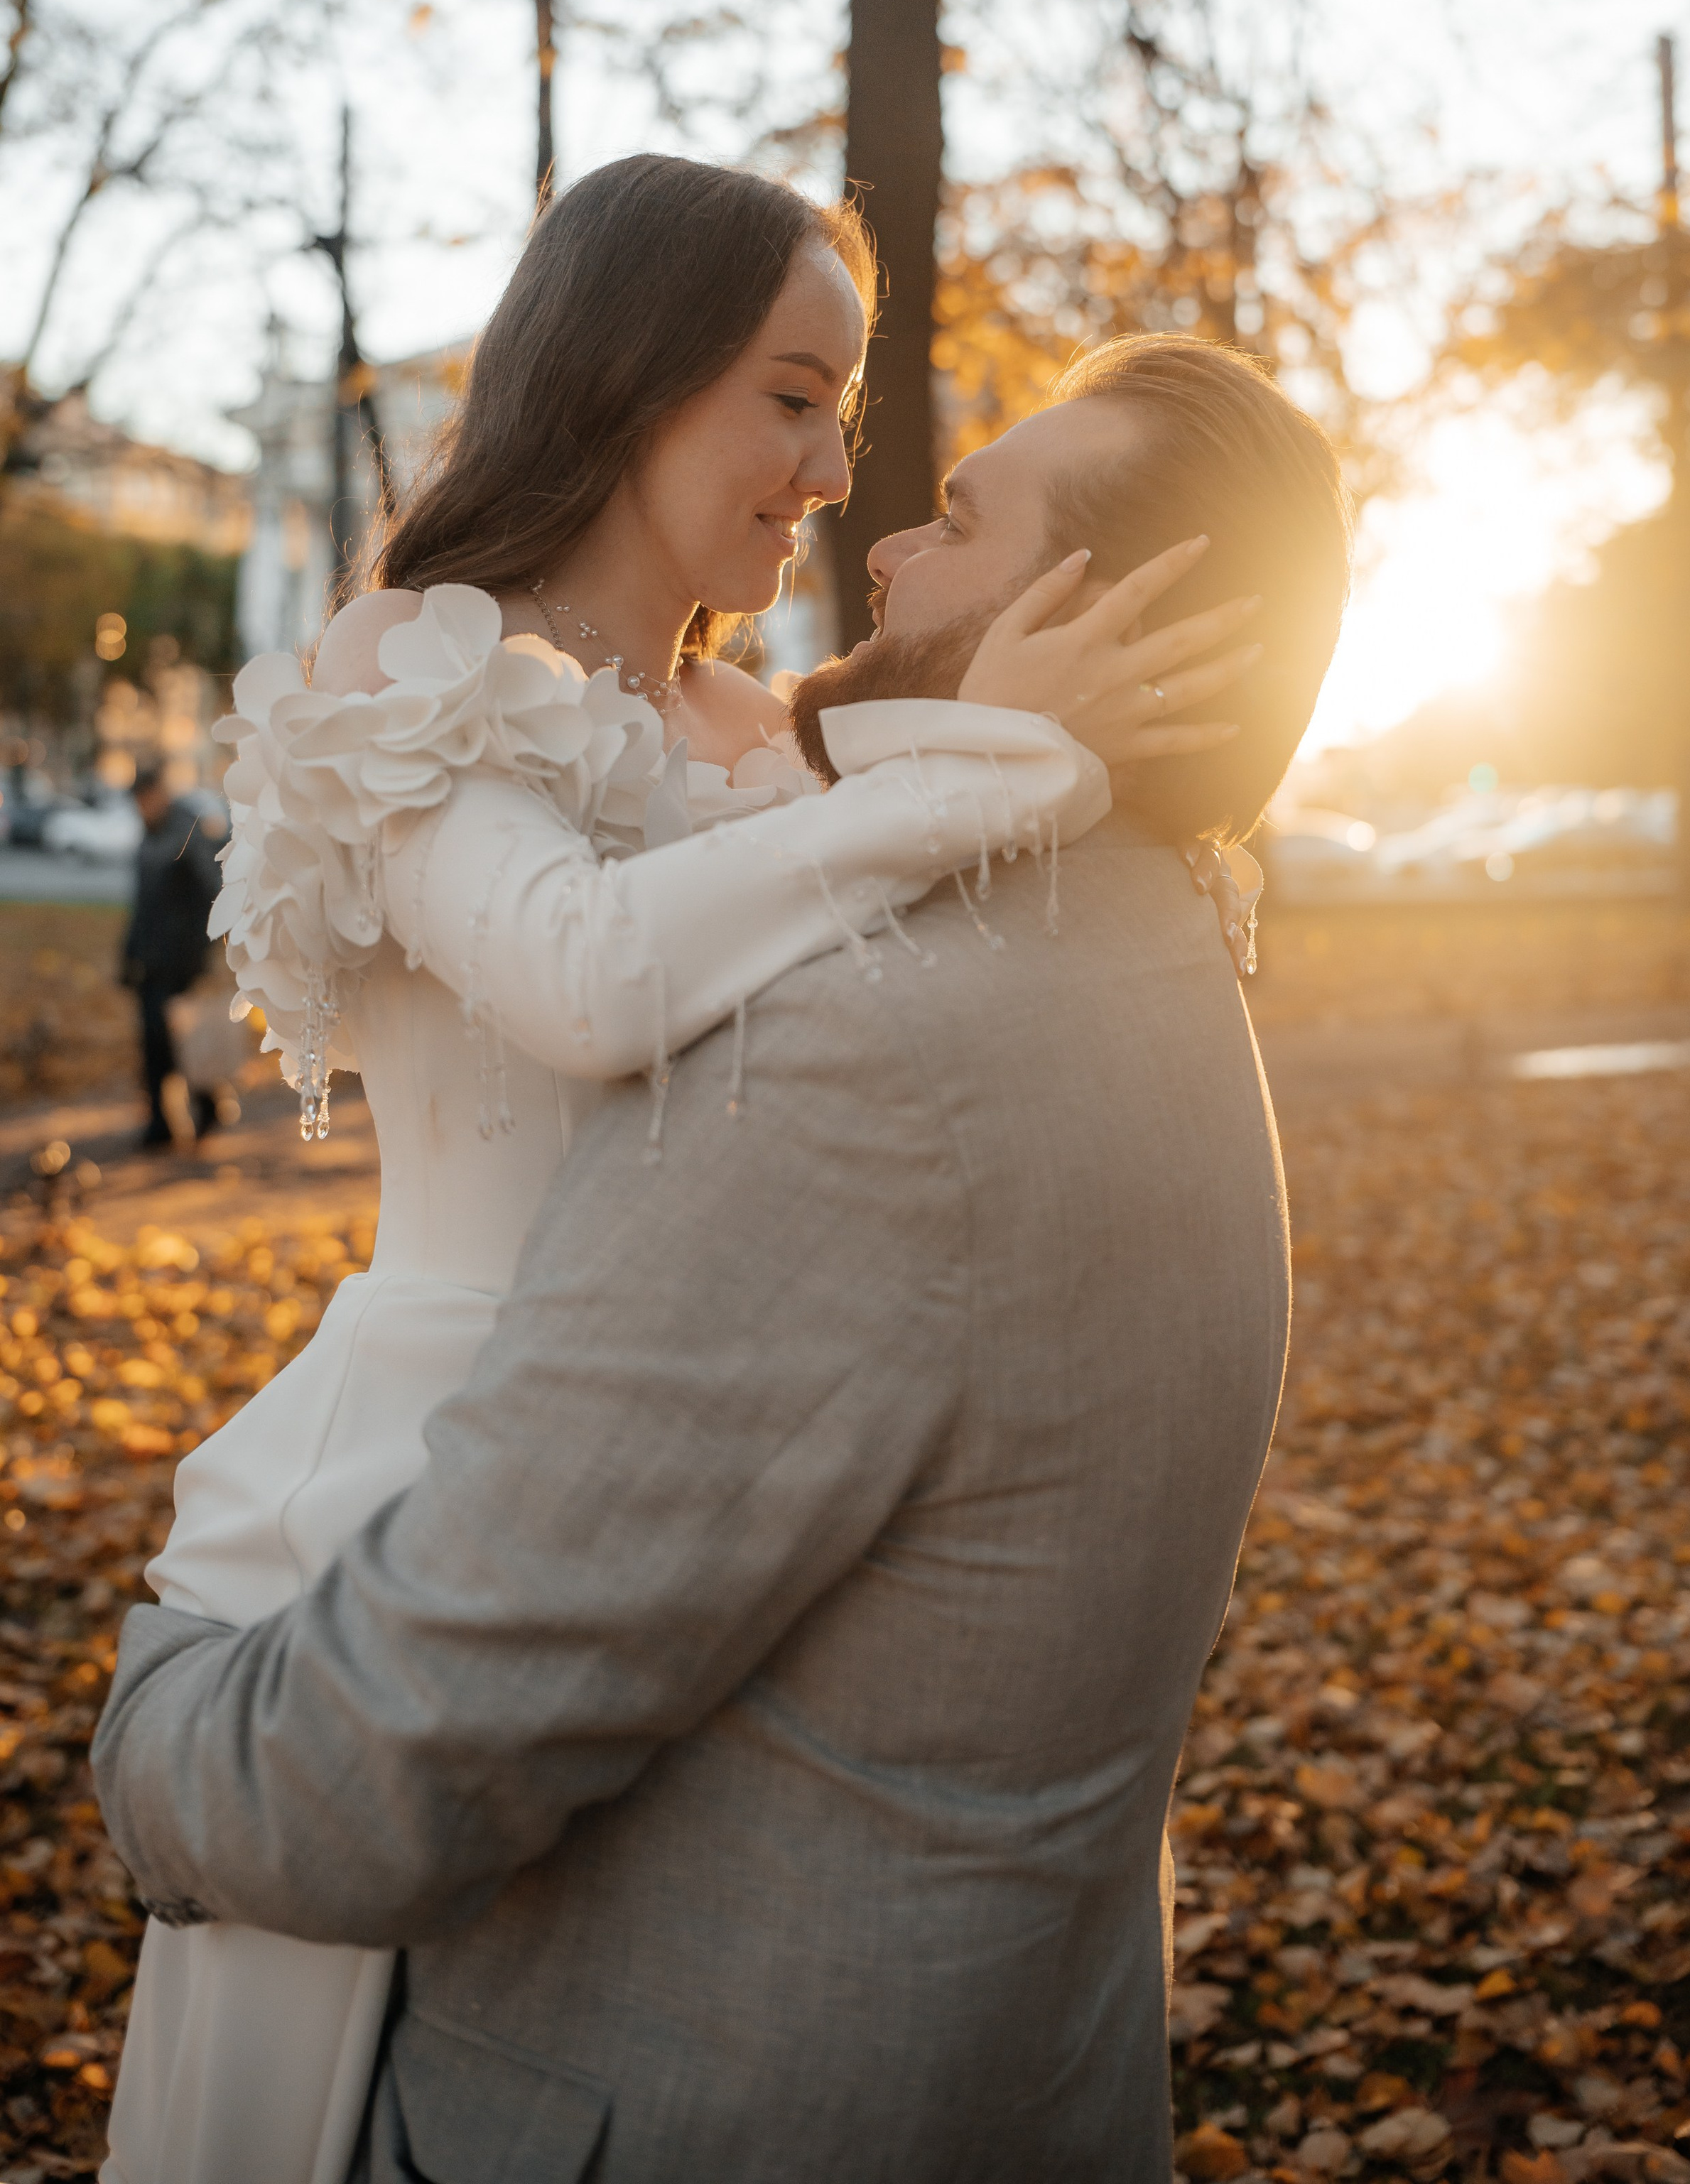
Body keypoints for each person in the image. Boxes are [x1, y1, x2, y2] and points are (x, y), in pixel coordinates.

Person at [91, 161, 1259, 2184]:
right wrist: (1004, 762)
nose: (830, 464)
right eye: (788, 396)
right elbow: (584, 975)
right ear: (630, 376)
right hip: (416, 1465)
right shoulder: (412, 669)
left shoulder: (784, 727)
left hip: (717, 1438)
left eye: (848, 405)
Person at [119, 766, 227, 1148]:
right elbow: (143, 905)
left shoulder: (187, 834)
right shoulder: (149, 837)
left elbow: (213, 896)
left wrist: (197, 952)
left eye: (144, 800)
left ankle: (203, 1107)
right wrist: (128, 954)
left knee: (176, 1041)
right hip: (150, 959)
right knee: (154, 1042)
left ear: (159, 794)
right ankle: (166, 1120)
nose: (140, 808)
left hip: (179, 962)